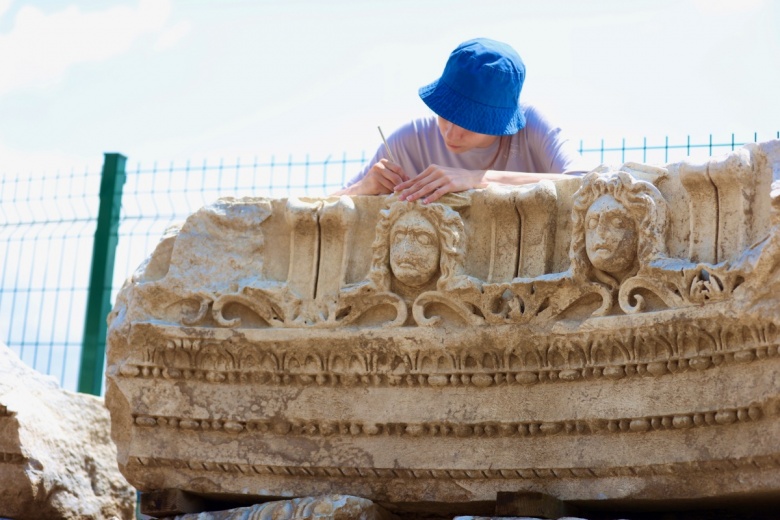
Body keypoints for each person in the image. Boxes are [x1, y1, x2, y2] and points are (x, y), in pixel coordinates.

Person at [333, 37, 591, 203]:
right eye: (445, 115)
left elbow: (586, 181)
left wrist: (477, 178)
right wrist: (361, 190)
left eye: (469, 123)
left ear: (501, 122)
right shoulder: (409, 140)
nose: (450, 134)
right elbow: (319, 206)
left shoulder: (531, 125)